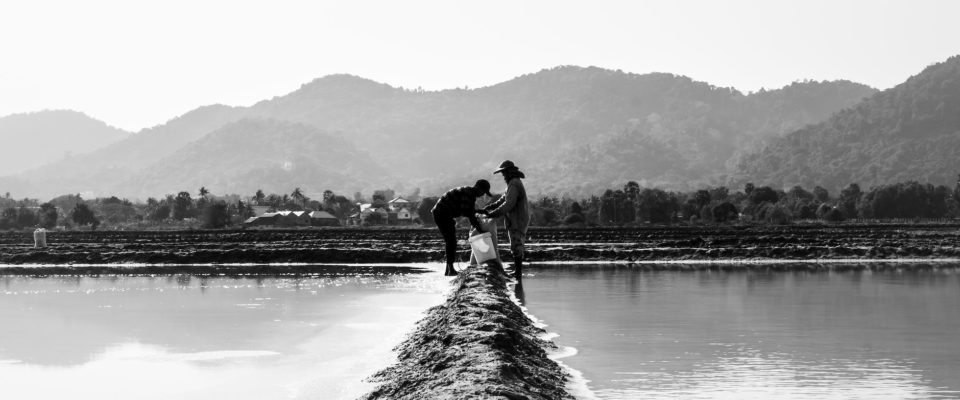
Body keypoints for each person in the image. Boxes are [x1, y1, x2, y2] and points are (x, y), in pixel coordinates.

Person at [431, 179, 493, 276]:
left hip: (443, 213)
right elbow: (467, 213)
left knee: (450, 241)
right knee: (451, 241)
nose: (482, 195)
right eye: (483, 192)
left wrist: (479, 212)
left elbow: (469, 210)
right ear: (479, 188)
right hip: (442, 213)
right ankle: (450, 269)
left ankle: (449, 269)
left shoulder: (469, 193)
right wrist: (480, 231)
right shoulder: (469, 194)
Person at [482, 160, 530, 279]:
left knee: (516, 246)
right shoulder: (512, 183)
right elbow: (503, 198)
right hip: (517, 219)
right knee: (516, 245)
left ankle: (518, 274)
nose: (503, 176)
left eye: (504, 173)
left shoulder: (514, 184)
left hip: (517, 220)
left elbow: (508, 204)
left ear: (509, 172)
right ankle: (517, 273)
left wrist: (492, 214)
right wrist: (492, 206)